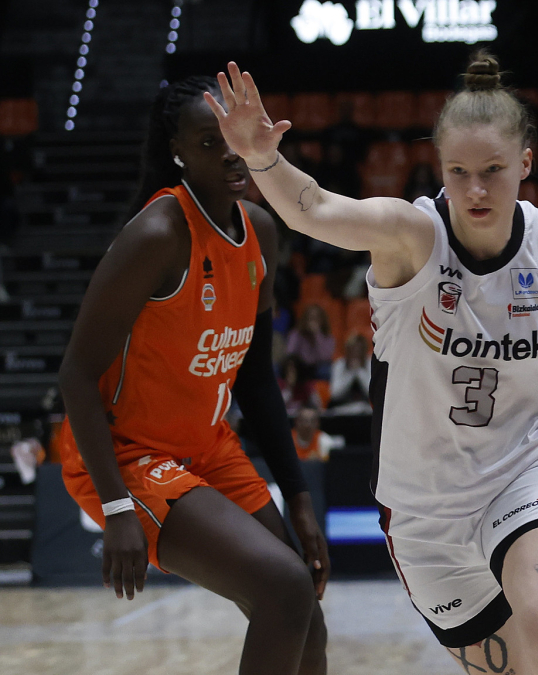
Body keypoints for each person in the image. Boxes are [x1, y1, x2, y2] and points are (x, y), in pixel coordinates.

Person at [205, 54, 538, 674]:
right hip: (423, 510)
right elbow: (315, 208)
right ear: (440, 170)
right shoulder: (410, 236)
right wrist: (263, 158)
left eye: (493, 171)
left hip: (525, 470)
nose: (476, 190)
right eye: (459, 172)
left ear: (526, 164)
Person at [56, 76, 329, 675]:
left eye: (233, 135)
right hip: (128, 454)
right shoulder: (157, 235)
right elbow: (76, 375)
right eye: (208, 142)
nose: (230, 152)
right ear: (177, 150)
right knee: (284, 589)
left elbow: (255, 377)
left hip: (205, 446)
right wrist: (118, 507)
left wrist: (300, 497)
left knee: (303, 605)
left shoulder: (261, 230)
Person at [287, 304, 336, 379]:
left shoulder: (328, 338)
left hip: (317, 367)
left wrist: (316, 335)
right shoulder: (296, 334)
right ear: (305, 319)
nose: (312, 322)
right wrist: (300, 334)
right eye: (310, 318)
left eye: (316, 319)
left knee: (327, 370)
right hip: (300, 367)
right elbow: (290, 352)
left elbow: (325, 357)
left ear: (322, 320)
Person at [328, 332, 372, 414]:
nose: (356, 353)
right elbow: (335, 394)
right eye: (353, 349)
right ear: (347, 350)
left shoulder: (370, 363)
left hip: (366, 410)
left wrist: (359, 372)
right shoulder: (339, 364)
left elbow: (371, 393)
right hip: (341, 409)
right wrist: (351, 373)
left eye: (359, 350)